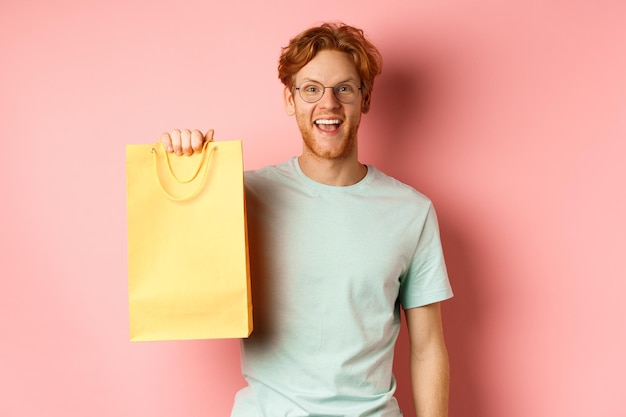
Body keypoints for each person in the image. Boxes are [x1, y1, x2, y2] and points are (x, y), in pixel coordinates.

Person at [161, 22, 453, 417]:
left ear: (364, 100)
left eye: (344, 89)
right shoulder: (242, 197)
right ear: (290, 99)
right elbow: (180, 278)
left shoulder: (411, 212)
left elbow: (427, 347)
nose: (328, 104)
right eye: (311, 89)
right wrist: (187, 173)